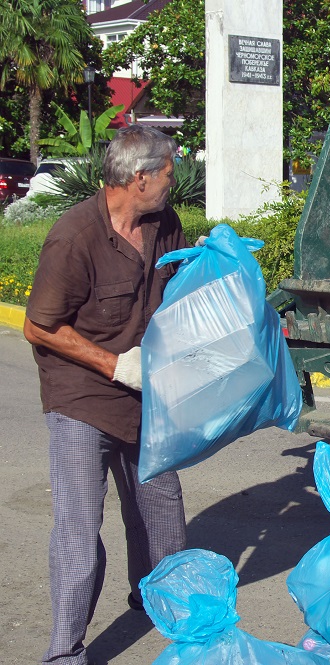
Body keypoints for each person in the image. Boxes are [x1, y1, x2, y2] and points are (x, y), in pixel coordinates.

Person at [24, 125, 189, 665]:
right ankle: (64, 652)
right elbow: (39, 326)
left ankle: (158, 600)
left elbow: (175, 289)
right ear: (140, 178)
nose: (174, 181)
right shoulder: (75, 237)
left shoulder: (164, 224)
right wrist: (115, 364)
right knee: (79, 529)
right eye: (168, 174)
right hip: (83, 398)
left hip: (144, 392)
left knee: (162, 506)